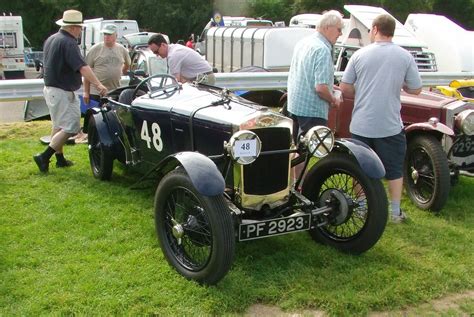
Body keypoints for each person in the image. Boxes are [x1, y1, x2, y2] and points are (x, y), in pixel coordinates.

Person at [340, 14, 422, 223]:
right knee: (394, 168)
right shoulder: (405, 56)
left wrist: (362, 90)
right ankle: (394, 212)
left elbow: (345, 86)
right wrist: (401, 85)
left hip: (362, 123)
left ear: (375, 29)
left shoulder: (360, 55)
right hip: (390, 124)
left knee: (360, 167)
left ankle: (360, 208)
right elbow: (416, 89)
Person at [33, 9, 107, 172]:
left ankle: (59, 160)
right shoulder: (69, 43)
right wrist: (99, 84)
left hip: (51, 88)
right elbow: (83, 67)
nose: (80, 31)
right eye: (80, 28)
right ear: (73, 27)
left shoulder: (52, 39)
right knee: (72, 126)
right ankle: (44, 156)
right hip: (62, 91)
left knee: (58, 125)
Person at [287, 10, 344, 138]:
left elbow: (306, 75)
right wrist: (334, 99)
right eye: (339, 29)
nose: (341, 34)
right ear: (327, 28)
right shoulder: (322, 50)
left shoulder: (304, 42)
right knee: (316, 151)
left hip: (296, 106)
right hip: (312, 111)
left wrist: (331, 86)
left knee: (297, 149)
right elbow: (321, 89)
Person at [83, 23, 130, 105]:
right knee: (95, 116)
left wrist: (120, 73)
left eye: (109, 34)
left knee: (111, 116)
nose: (106, 36)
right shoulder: (95, 49)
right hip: (95, 92)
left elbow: (127, 64)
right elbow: (86, 71)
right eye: (105, 34)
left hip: (114, 91)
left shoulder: (122, 50)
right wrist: (86, 92)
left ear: (116, 35)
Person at [148, 33, 215, 85]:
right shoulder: (175, 48)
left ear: (163, 45)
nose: (157, 55)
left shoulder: (173, 56)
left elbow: (175, 82)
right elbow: (180, 79)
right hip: (204, 77)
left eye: (156, 51)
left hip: (204, 79)